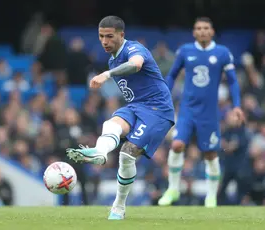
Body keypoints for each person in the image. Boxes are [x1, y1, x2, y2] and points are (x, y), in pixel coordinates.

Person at [66, 15, 175, 220]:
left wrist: (107, 74)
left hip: (158, 110)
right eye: (101, 37)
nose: (104, 41)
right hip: (135, 106)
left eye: (109, 36)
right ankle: (100, 152)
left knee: (126, 154)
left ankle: (118, 206)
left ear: (121, 35)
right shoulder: (113, 59)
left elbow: (136, 65)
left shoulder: (133, 49)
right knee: (111, 123)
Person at [157, 17, 245, 208]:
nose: (203, 31)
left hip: (210, 113)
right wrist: (163, 97)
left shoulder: (222, 53)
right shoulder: (185, 51)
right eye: (199, 28)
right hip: (188, 109)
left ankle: (211, 196)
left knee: (210, 154)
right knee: (177, 144)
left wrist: (236, 105)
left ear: (212, 31)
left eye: (206, 28)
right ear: (194, 32)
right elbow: (172, 75)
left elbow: (232, 81)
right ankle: (173, 189)